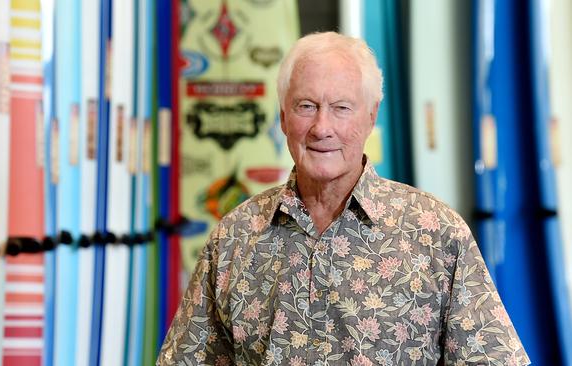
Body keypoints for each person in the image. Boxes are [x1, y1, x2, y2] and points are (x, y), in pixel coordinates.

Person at [157, 32, 529, 366]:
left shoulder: (436, 234)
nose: (322, 127)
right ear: (283, 117)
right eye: (306, 106)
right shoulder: (234, 239)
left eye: (341, 108)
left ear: (371, 117)